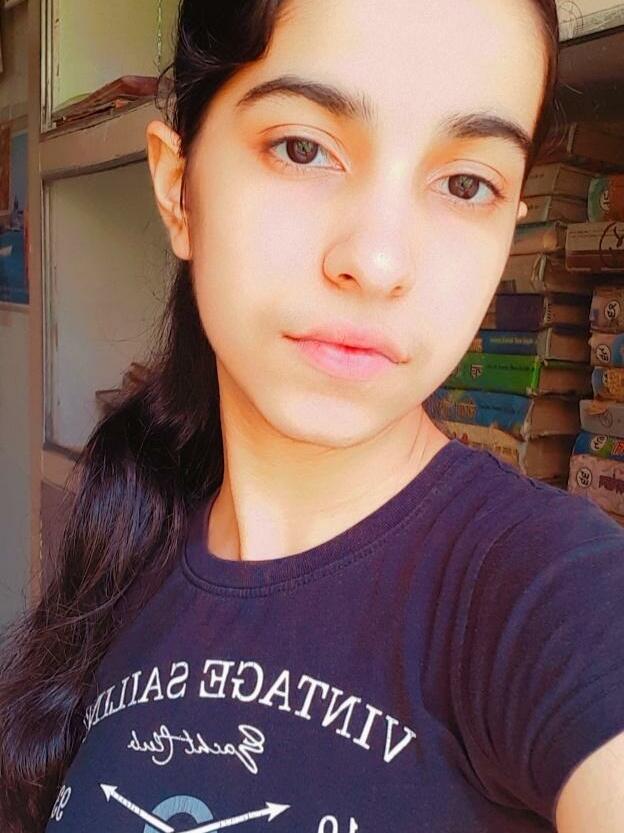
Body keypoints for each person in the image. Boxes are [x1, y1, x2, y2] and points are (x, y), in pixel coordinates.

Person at [1, 0, 623, 830]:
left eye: (466, 183)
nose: (379, 261)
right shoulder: (130, 539)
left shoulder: (546, 592)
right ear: (178, 188)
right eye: (304, 148)